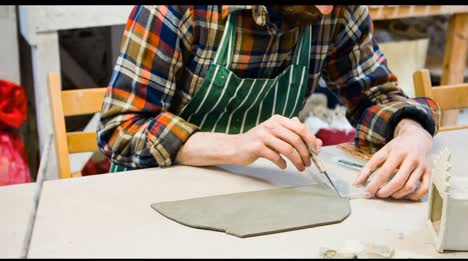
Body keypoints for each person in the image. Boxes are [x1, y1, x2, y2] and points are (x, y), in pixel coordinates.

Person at [97, 5, 440, 201]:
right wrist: (237, 145)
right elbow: (121, 130)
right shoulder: (179, 9)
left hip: (257, 192)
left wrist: (412, 133)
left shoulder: (337, 10)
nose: (328, 10)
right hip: (154, 193)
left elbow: (374, 95)